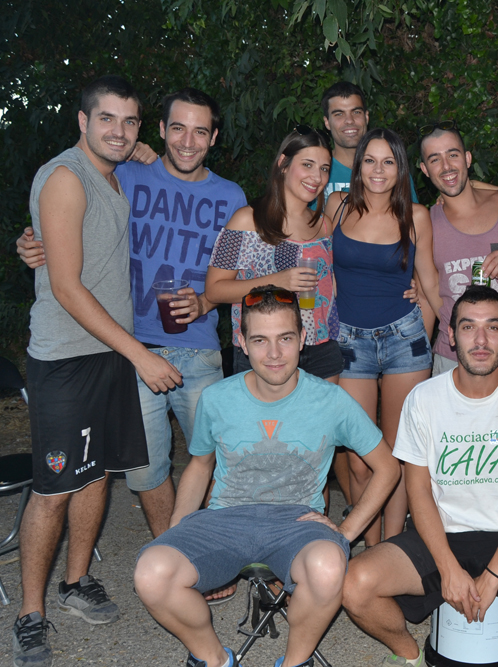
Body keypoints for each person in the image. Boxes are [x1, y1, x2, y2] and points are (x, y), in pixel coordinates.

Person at [16, 88, 246, 539]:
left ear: (214, 137)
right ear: (160, 130)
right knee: (147, 470)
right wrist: (30, 240)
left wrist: (207, 301)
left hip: (200, 350)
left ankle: (217, 548)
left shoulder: (232, 196)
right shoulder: (126, 174)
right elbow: (68, 219)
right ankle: (170, 553)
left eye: (200, 131)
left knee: (222, 458)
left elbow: (235, 271)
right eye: (177, 128)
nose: (187, 141)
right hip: (130, 350)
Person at [133, 285, 400, 667]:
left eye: (285, 338)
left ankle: (295, 662)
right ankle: (213, 659)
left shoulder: (331, 401)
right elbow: (200, 466)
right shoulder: (217, 398)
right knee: (152, 573)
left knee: (327, 566)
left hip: (297, 524)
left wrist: (346, 531)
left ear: (302, 339)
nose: (274, 353)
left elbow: (387, 467)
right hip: (225, 518)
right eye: (260, 340)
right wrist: (177, 529)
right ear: (241, 342)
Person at [12, 75, 182, 667]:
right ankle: (29, 614)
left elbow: (140, 159)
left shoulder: (114, 172)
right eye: (106, 119)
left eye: (129, 121)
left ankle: (76, 580)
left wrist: (143, 150)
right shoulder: (66, 177)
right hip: (65, 358)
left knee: (96, 475)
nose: (119, 130)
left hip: (106, 353)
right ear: (82, 121)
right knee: (54, 489)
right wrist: (140, 354)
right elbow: (64, 286)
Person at [341, 287, 498, 667]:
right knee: (353, 584)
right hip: (439, 533)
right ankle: (408, 654)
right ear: (452, 336)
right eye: (469, 327)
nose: (481, 340)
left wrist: (492, 576)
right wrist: (447, 568)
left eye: (493, 327)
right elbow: (418, 492)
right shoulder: (423, 398)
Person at [328, 127, 442, 546]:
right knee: (361, 459)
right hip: (349, 342)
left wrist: (444, 330)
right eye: (370, 161)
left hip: (403, 339)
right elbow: (319, 263)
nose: (378, 170)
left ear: (401, 168)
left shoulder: (416, 215)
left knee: (398, 452)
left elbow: (429, 282)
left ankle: (391, 548)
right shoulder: (337, 206)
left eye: (388, 161)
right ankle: (371, 545)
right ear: (358, 165)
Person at [205, 127, 343, 383]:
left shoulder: (325, 225)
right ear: (283, 164)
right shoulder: (246, 221)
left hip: (321, 349)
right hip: (264, 352)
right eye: (307, 164)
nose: (317, 177)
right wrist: (277, 282)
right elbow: (214, 290)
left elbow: (332, 283)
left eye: (324, 168)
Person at [418, 122, 498, 375]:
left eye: (453, 155)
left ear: (467, 158)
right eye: (435, 159)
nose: (446, 166)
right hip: (454, 359)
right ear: (425, 170)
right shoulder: (426, 224)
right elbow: (429, 291)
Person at [320, 81, 418, 202]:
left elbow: (411, 212)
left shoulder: (393, 171)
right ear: (327, 122)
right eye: (339, 114)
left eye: (356, 112)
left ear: (366, 117)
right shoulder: (316, 171)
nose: (349, 120)